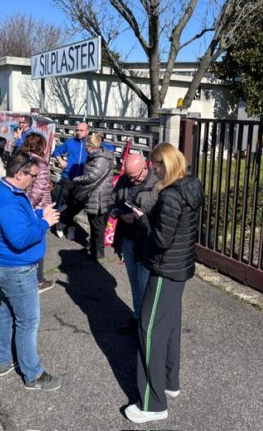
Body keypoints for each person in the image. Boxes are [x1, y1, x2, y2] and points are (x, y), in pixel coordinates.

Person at [125, 142, 203, 425]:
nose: (152, 169)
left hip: (165, 269)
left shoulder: (170, 195)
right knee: (168, 329)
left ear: (166, 164)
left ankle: (152, 403)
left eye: (155, 164)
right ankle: (170, 381)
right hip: (179, 268)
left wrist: (143, 220)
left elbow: (161, 240)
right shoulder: (190, 185)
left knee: (148, 331)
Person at [0, 152, 61, 391]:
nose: (36, 180)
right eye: (33, 175)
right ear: (19, 174)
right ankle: (33, 375)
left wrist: (39, 214)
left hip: (9, 268)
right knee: (28, 321)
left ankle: (4, 360)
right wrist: (45, 223)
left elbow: (20, 222)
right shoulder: (7, 199)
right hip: (16, 269)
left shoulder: (9, 192)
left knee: (7, 312)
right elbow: (19, 239)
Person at [110, 153, 158, 333]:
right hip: (127, 239)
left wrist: (136, 217)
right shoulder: (124, 180)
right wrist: (114, 210)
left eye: (134, 176)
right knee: (134, 282)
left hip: (145, 244)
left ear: (145, 168)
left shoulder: (157, 185)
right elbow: (113, 199)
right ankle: (137, 317)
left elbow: (156, 218)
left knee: (145, 285)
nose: (130, 180)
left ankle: (147, 324)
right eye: (128, 176)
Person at [21, 133, 55, 294]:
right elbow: (38, 190)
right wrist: (31, 208)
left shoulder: (21, 158)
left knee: (27, 241)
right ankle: (38, 280)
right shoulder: (40, 163)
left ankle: (30, 277)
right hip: (37, 207)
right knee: (37, 242)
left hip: (23, 204)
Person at [73, 133, 114, 260]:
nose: (85, 147)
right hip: (96, 196)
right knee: (94, 225)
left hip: (99, 197)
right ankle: (93, 248)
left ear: (92, 146)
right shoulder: (96, 156)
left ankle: (98, 253)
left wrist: (77, 179)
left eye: (87, 145)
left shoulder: (101, 158)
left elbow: (92, 176)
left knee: (98, 227)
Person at [53, 122, 90, 240]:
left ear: (87, 131)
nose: (78, 132)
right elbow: (57, 151)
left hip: (82, 180)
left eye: (81, 130)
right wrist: (61, 161)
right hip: (68, 178)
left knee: (77, 205)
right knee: (67, 204)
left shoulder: (90, 144)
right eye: (77, 130)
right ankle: (63, 225)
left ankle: (67, 225)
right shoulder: (70, 142)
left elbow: (108, 148)